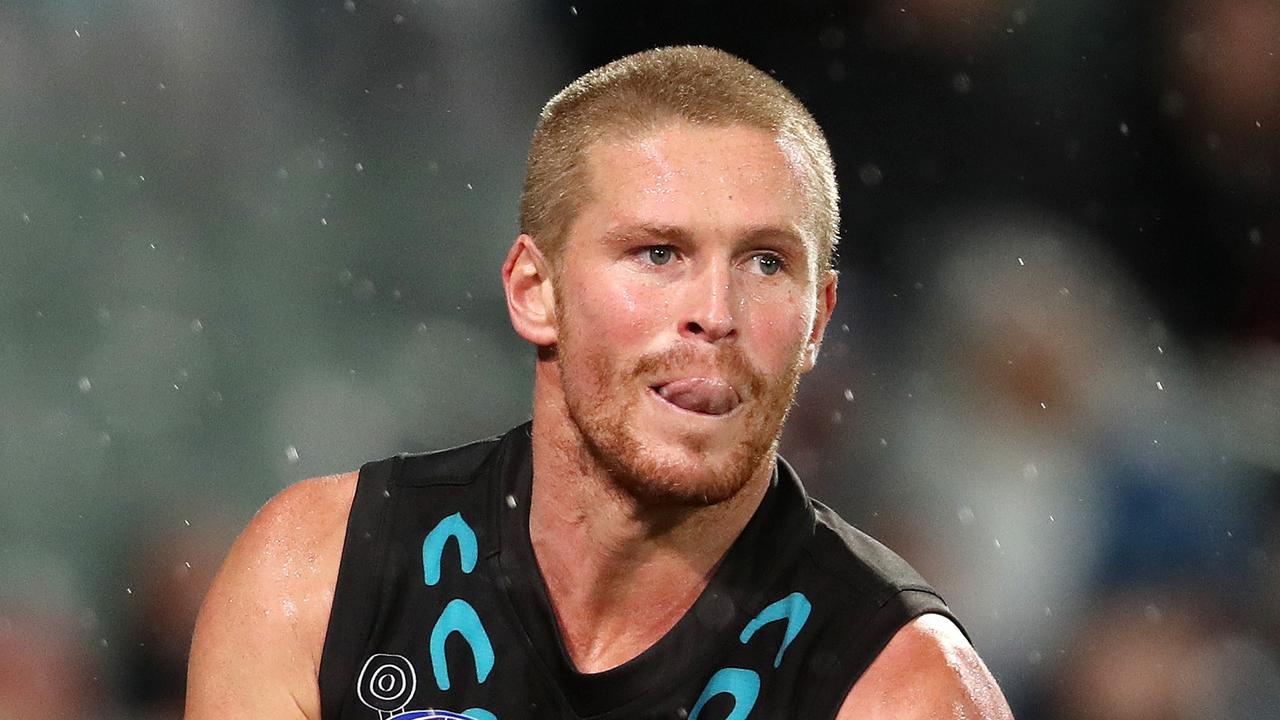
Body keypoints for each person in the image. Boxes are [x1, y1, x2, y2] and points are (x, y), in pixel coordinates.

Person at [186, 46, 1013, 720]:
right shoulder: (318, 583)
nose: (715, 312)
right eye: (659, 254)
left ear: (819, 319)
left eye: (766, 262)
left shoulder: (902, 692)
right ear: (533, 292)